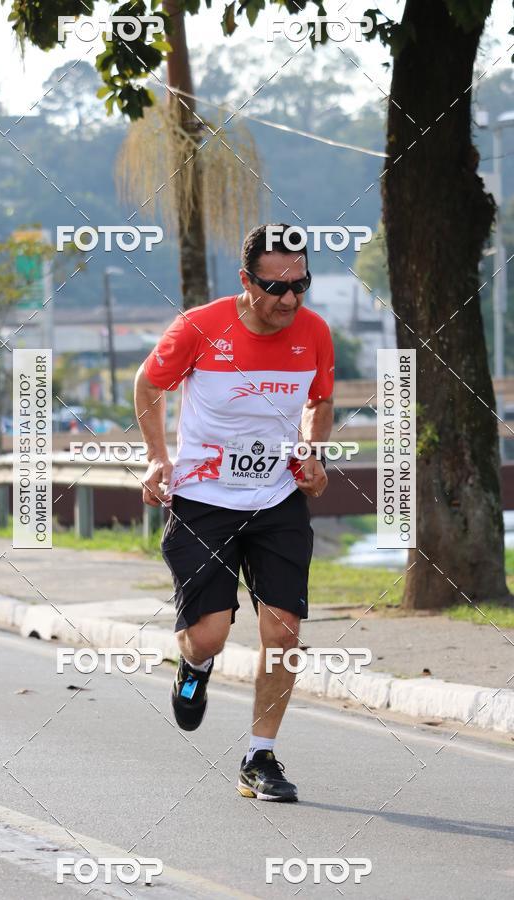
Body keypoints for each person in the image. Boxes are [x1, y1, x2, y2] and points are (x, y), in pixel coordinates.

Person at [134, 223, 334, 802]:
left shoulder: (314, 332)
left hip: (276, 500)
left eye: (300, 286)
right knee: (210, 636)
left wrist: (312, 451)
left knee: (284, 631)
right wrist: (156, 460)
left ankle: (259, 756)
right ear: (246, 282)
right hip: (202, 502)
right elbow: (149, 386)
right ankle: (194, 668)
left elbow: (320, 399)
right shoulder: (200, 327)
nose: (290, 300)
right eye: (276, 289)